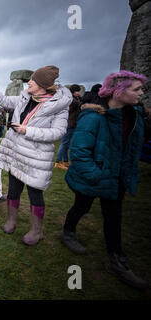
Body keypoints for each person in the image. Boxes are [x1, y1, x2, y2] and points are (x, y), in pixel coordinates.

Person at [60, 70, 148, 290]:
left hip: (117, 177)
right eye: (136, 89)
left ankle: (116, 260)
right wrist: (98, 176)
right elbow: (79, 152)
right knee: (81, 206)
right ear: (118, 91)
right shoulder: (93, 117)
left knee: (113, 217)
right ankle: (68, 232)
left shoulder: (134, 115)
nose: (141, 93)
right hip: (95, 176)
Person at [0, 65, 72, 246]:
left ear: (43, 85)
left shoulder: (58, 106)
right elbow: (5, 100)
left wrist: (27, 130)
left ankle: (37, 231)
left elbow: (58, 132)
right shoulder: (25, 97)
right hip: (17, 153)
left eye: (33, 80)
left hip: (36, 157)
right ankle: (11, 221)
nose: (29, 82)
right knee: (14, 189)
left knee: (34, 192)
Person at [55, 84, 82, 169]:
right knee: (64, 143)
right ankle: (58, 162)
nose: (79, 93)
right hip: (69, 124)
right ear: (73, 92)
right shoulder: (71, 100)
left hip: (70, 123)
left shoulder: (72, 99)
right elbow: (80, 105)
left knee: (66, 144)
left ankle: (65, 161)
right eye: (77, 91)